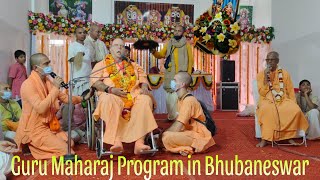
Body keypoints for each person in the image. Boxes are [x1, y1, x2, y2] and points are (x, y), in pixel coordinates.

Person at [14, 53, 93, 159]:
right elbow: (41, 109)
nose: (49, 66)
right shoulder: (28, 85)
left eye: (49, 63)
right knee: (66, 150)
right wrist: (56, 88)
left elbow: (65, 98)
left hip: (49, 126)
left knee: (70, 143)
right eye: (46, 64)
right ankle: (33, 146)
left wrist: (83, 98)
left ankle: (38, 146)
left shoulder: (47, 82)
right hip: (35, 128)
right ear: (35, 68)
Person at [90, 38, 158, 155]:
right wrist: (110, 89)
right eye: (116, 45)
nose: (119, 48)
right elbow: (95, 82)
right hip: (111, 94)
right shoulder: (101, 65)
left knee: (145, 99)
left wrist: (145, 86)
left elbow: (142, 77)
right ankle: (116, 141)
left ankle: (139, 142)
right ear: (110, 49)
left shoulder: (133, 64)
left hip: (133, 96)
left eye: (122, 46)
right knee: (109, 100)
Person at [256, 51, 309, 147]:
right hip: (267, 99)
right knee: (267, 110)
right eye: (268, 59)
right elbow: (262, 92)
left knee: (295, 110)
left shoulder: (285, 73)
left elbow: (290, 90)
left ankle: (288, 137)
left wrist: (294, 103)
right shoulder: (261, 74)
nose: (269, 62)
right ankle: (265, 138)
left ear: (277, 61)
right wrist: (265, 78)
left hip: (283, 98)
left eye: (272, 60)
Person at [161, 72, 215, 156]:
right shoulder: (180, 99)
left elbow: (179, 125)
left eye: (175, 80)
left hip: (199, 136)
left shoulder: (188, 101)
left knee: (166, 137)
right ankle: (182, 148)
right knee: (165, 136)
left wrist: (163, 134)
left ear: (182, 84)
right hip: (188, 132)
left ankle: (187, 148)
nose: (172, 82)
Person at [150, 25, 194, 121]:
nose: (177, 32)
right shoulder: (169, 43)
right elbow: (161, 54)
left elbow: (190, 60)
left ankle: (181, 118)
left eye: (179, 31)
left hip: (182, 75)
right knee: (170, 96)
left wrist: (188, 75)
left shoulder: (186, 45)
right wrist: (153, 51)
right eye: (176, 30)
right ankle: (171, 117)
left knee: (180, 96)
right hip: (171, 75)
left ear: (183, 33)